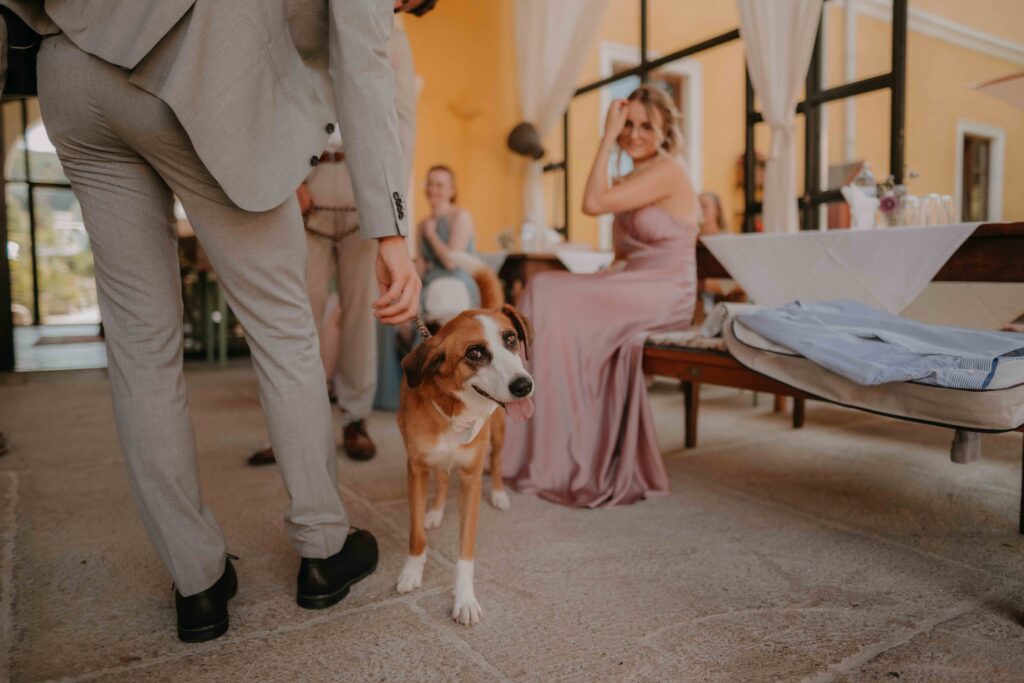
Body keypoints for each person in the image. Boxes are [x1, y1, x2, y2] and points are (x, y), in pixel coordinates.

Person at [0, 0, 429, 643]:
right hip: (203, 75)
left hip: (71, 69)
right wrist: (391, 234)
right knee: (284, 332)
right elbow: (363, 68)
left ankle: (196, 581)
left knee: (140, 345)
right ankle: (323, 547)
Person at [502, 85, 699, 508]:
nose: (634, 133)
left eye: (646, 126)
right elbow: (627, 253)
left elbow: (592, 203)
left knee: (547, 291)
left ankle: (553, 450)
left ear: (665, 131)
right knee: (544, 291)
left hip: (666, 290)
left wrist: (607, 137)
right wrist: (608, 273)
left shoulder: (669, 170)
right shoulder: (632, 178)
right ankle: (533, 442)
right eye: (628, 124)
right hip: (635, 282)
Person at [248, 13, 418, 466]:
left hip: (364, 186)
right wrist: (289, 180)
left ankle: (355, 419)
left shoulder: (394, 41)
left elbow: (402, 126)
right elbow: (278, 98)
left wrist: (387, 205)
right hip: (307, 180)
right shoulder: (303, 19)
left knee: (362, 315)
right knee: (295, 314)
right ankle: (288, 428)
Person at [375, 164, 479, 410]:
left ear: (452, 190)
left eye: (440, 185)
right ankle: (392, 396)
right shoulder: (423, 224)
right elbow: (421, 265)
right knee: (390, 315)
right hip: (431, 283)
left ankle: (426, 398)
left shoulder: (460, 217)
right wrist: (404, 293)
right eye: (430, 184)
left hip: (455, 284)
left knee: (432, 311)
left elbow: (451, 261)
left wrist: (432, 234)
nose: (433, 189)